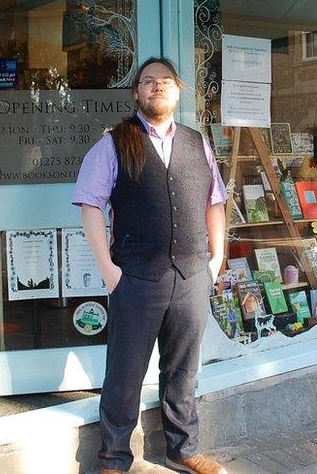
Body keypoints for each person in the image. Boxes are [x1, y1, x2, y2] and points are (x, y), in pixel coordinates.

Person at [72, 57, 228, 474]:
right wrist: (109, 270)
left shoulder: (198, 143)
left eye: (165, 81)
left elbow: (215, 203)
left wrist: (217, 259)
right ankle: (114, 459)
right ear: (136, 93)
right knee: (125, 372)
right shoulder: (114, 143)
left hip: (193, 274)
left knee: (182, 369)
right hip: (136, 277)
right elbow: (90, 205)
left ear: (178, 91)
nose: (157, 87)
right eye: (148, 82)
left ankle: (182, 448)